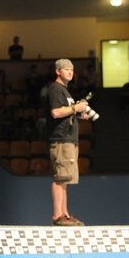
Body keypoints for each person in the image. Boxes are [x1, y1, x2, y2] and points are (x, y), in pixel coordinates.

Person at [45, 59, 89, 226]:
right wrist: (75, 108)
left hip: (68, 138)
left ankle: (65, 214)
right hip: (61, 138)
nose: (70, 72)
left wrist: (78, 115)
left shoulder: (64, 91)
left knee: (65, 179)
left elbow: (64, 113)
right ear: (58, 71)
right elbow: (56, 112)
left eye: (72, 69)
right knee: (60, 178)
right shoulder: (56, 89)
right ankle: (58, 215)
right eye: (66, 69)